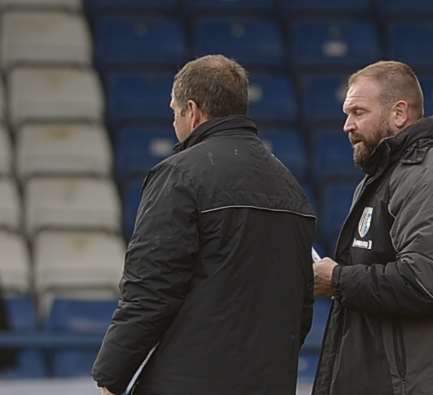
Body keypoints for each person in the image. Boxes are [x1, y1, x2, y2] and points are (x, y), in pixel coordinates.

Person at [92, 55, 316, 395]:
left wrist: (110, 377)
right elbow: (300, 305)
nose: (174, 122)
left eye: (174, 112)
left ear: (192, 111)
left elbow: (150, 290)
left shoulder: (179, 175)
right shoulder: (290, 186)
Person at [312, 61, 433, 395]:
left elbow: (428, 282)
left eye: (358, 112)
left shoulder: (430, 177)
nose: (347, 125)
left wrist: (337, 279)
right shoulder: (387, 175)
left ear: (399, 113)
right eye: (347, 113)